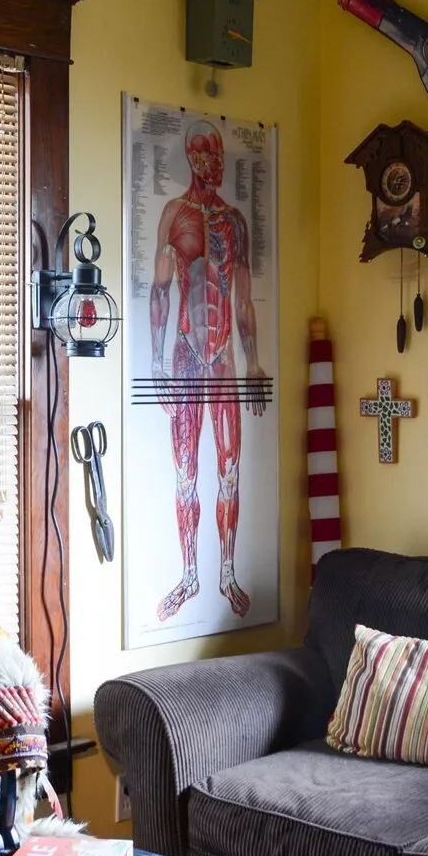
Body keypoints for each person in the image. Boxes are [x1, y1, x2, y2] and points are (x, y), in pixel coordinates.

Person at [148, 120, 268, 622]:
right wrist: (156, 364)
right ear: (192, 158)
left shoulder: (234, 222)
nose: (215, 164)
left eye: (219, 156)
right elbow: (159, 291)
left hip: (223, 362)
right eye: (207, 156)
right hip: (184, 357)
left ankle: (227, 574)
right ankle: (190, 575)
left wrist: (254, 360)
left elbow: (243, 300)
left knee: (230, 472)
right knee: (185, 475)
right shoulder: (174, 214)